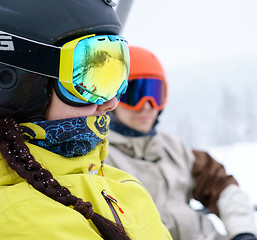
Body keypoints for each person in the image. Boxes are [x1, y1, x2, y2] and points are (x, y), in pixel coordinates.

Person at [0, 1, 172, 240]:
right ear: (13, 82)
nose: (111, 102)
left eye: (115, 74)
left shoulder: (123, 184)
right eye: (90, 78)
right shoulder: (19, 219)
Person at [107, 46, 257, 240]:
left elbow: (221, 186)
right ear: (112, 97)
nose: (146, 105)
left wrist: (242, 231)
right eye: (134, 93)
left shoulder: (174, 148)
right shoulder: (99, 158)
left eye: (154, 94)